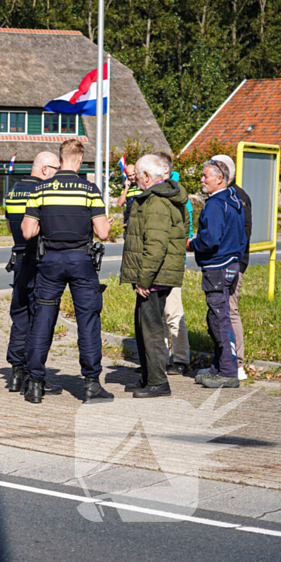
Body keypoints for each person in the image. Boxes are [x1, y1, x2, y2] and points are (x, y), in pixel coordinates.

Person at [21, 139, 114, 405]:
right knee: (88, 320)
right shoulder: (89, 190)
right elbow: (102, 233)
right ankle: (91, 385)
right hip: (81, 261)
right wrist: (104, 223)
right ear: (80, 160)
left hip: (50, 261)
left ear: (60, 159)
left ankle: (35, 384)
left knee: (43, 319)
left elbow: (28, 232)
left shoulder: (41, 189)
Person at [119, 155, 189, 398]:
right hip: (157, 274)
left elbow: (155, 245)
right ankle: (148, 378)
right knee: (143, 327)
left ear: (147, 176)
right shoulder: (161, 197)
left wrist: (144, 279)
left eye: (138, 176)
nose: (136, 181)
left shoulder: (157, 201)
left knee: (151, 329)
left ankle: (158, 382)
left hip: (155, 277)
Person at [3, 151, 62, 394]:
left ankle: (15, 373)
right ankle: (33, 376)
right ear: (45, 169)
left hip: (19, 260)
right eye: (57, 170)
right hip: (39, 261)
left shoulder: (13, 190)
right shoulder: (43, 191)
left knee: (20, 317)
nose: (59, 175)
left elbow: (10, 226)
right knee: (40, 318)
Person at [187, 160, 246, 389]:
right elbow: (242, 238)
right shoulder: (234, 200)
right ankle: (218, 367)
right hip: (231, 265)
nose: (202, 180)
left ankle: (228, 372)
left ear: (220, 178)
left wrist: (192, 244)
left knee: (219, 318)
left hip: (217, 267)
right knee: (216, 317)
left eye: (205, 176)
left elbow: (210, 239)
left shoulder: (215, 204)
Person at [212, 154, 252, 381]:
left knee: (230, 311)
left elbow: (242, 234)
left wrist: (237, 264)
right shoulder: (229, 195)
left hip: (232, 264)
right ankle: (223, 362)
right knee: (222, 312)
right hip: (230, 262)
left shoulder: (237, 197)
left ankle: (237, 364)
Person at [155, 152, 193, 376]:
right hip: (157, 260)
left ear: (166, 170)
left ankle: (180, 359)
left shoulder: (177, 194)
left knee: (173, 311)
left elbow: (186, 229)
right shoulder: (156, 191)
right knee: (158, 313)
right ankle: (160, 358)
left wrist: (179, 255)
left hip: (173, 260)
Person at [117, 164, 143, 233]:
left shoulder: (143, 185)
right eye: (130, 176)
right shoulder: (126, 187)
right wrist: (126, 189)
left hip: (141, 218)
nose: (132, 177)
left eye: (134, 174)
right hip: (129, 218)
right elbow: (120, 203)